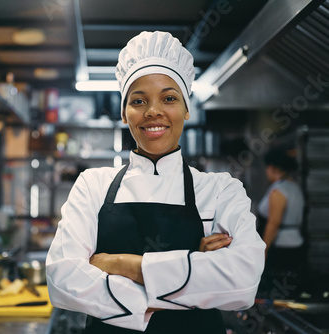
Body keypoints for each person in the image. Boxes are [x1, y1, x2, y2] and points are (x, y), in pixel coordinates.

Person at [46, 31, 265, 333]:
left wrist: (122, 265)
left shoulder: (220, 190)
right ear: (125, 113)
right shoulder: (92, 185)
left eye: (169, 98)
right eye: (138, 100)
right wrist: (194, 273)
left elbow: (243, 283)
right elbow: (62, 279)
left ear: (187, 109)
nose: (153, 111)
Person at [257, 148, 305, 274]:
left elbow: (274, 223)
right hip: (296, 243)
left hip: (280, 247)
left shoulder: (278, 191)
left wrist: (264, 250)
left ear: (272, 167)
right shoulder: (295, 187)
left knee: (276, 285)